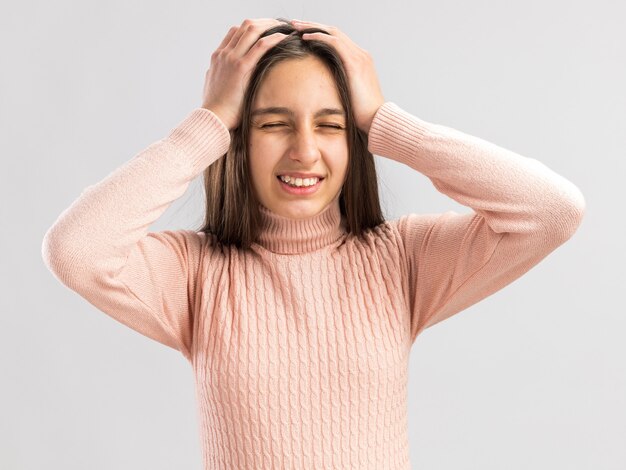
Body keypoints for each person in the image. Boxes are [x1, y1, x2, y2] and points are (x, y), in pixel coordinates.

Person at [41, 17, 586, 470]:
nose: (304, 151)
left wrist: (384, 120)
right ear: (237, 140)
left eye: (330, 125)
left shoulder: (400, 260)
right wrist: (206, 125)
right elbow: (75, 250)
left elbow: (552, 211)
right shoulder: (196, 273)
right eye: (274, 124)